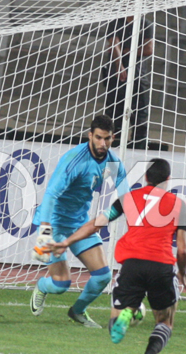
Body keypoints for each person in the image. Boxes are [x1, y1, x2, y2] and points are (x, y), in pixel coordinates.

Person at [47, 158, 186, 354]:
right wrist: (181, 271)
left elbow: (96, 223)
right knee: (165, 322)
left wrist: (66, 242)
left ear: (145, 178)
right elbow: (182, 250)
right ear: (168, 180)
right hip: (161, 267)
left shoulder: (128, 199)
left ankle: (127, 315)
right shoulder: (178, 205)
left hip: (132, 265)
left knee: (114, 323)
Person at [29, 114, 128, 329]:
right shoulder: (75, 160)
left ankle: (78, 311)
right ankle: (43, 286)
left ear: (113, 138)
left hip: (78, 223)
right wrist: (45, 229)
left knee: (103, 276)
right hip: (54, 221)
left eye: (108, 139)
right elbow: (51, 195)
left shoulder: (112, 163)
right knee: (61, 284)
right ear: (90, 135)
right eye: (99, 138)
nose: (103, 144)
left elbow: (126, 198)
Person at [104, 15, 154, 149]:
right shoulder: (116, 22)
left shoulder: (146, 24)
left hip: (138, 76)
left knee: (140, 117)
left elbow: (149, 49)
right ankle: (111, 150)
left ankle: (139, 149)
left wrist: (127, 51)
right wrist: (120, 65)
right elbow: (114, 44)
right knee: (114, 115)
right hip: (115, 76)